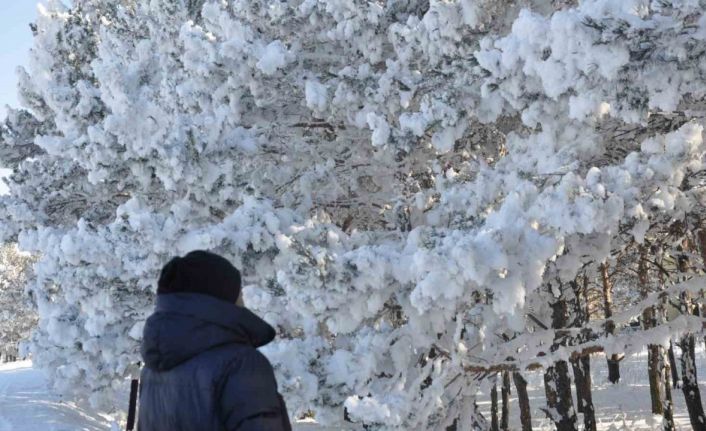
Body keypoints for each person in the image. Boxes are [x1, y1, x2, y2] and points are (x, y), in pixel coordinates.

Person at [137, 250, 292, 431]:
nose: (242, 300)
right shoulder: (240, 364)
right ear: (219, 300)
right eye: (238, 292)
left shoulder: (153, 368)